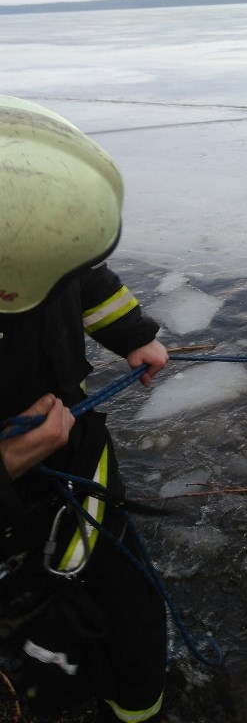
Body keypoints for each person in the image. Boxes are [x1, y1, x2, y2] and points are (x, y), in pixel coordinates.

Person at [0, 97, 169, 721]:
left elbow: (83, 273)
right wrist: (8, 462)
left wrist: (133, 333)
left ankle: (139, 707)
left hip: (73, 440)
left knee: (127, 610)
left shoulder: (28, 215)